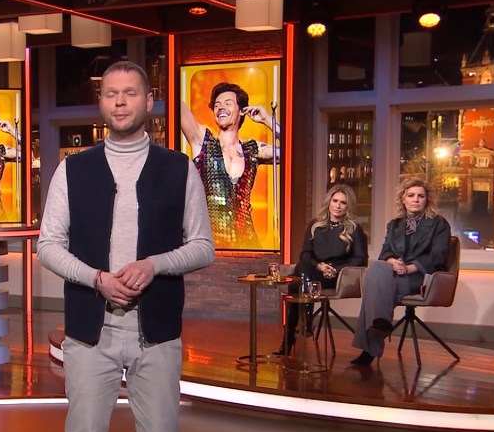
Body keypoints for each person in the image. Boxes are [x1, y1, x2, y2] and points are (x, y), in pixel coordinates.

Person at [38, 61, 215, 432]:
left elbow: (203, 246)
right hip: (89, 334)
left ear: (149, 101)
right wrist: (95, 279)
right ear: (101, 102)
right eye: (111, 93)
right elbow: (48, 245)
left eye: (130, 93)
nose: (119, 102)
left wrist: (155, 264)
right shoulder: (73, 169)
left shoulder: (178, 168)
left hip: (155, 334)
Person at [351, 178, 450, 366]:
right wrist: (393, 262)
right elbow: (385, 252)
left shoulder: (439, 224)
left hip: (421, 277)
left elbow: (438, 256)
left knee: (375, 288)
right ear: (403, 199)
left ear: (427, 199)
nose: (416, 200)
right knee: (377, 268)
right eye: (411, 195)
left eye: (420, 196)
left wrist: (409, 268)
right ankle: (380, 325)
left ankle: (370, 347)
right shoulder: (395, 225)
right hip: (395, 273)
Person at [180, 82, 278, 249]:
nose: (221, 108)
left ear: (241, 111)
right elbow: (176, 103)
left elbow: (293, 151)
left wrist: (267, 120)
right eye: (217, 105)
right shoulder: (204, 143)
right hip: (210, 246)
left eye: (228, 103)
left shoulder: (253, 150)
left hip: (248, 246)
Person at [273, 184, 368, 355]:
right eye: (335, 201)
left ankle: (291, 336)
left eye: (343, 203)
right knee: (302, 271)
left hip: (335, 277)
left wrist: (335, 269)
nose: (338, 206)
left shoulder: (354, 229)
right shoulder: (315, 225)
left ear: (348, 206)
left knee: (297, 282)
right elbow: (305, 254)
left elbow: (360, 258)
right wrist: (319, 265)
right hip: (313, 271)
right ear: (329, 202)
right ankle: (305, 318)